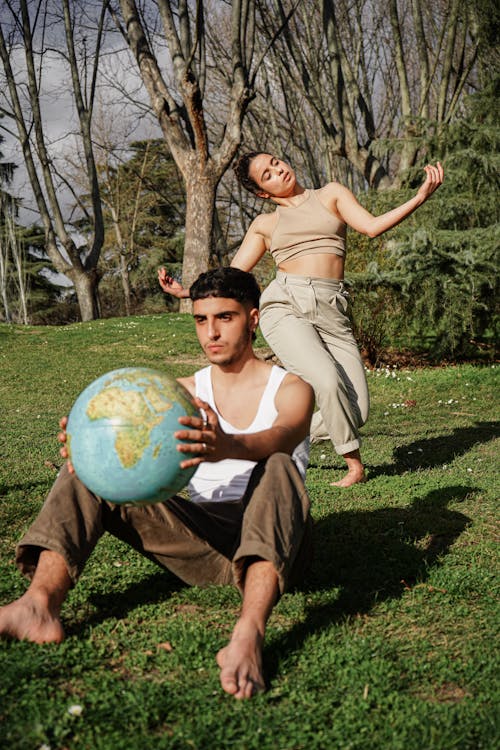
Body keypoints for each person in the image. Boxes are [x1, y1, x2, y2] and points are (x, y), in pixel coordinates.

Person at [0, 267, 314, 701]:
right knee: (91, 468)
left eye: (225, 317)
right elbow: (123, 428)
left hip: (278, 541)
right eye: (201, 320)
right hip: (204, 543)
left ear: (253, 319)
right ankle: (39, 606)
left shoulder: (291, 387)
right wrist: (90, 442)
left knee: (278, 464)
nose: (212, 333)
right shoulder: (181, 394)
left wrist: (226, 445)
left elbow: (282, 436)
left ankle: (248, 634)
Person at [159, 153, 444, 487]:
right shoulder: (265, 225)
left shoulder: (331, 194)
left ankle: (263, 438)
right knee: (325, 380)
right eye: (268, 175)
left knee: (358, 410)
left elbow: (371, 228)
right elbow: (232, 275)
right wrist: (187, 292)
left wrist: (419, 197)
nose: (279, 170)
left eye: (276, 163)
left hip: (333, 308)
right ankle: (354, 465)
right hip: (286, 305)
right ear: (262, 193)